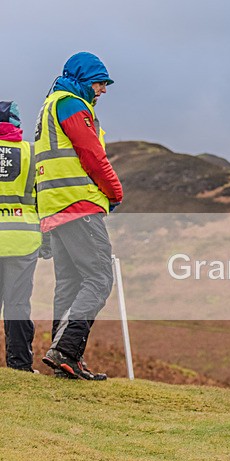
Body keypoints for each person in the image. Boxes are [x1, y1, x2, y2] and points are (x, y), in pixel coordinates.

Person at [34, 52, 123, 380]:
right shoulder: (71, 103)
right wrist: (114, 191)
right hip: (78, 205)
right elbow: (91, 154)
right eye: (100, 83)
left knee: (70, 283)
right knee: (100, 278)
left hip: (55, 208)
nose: (103, 90)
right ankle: (66, 351)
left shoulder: (49, 106)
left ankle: (65, 360)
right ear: (85, 80)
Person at [0, 101, 41, 373]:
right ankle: (20, 365)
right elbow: (43, 199)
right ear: (16, 124)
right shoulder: (32, 153)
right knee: (17, 304)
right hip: (23, 238)